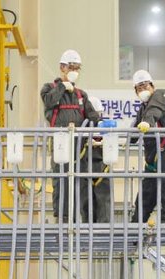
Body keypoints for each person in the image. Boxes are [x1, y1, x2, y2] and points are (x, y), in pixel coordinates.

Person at [40, 50, 107, 223]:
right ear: (62, 68)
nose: (75, 71)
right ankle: (62, 218)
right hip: (61, 144)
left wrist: (103, 126)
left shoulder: (81, 95)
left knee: (81, 183)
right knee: (61, 181)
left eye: (78, 68)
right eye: (72, 67)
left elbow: (92, 116)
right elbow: (48, 102)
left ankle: (81, 220)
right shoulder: (49, 89)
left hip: (80, 147)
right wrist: (62, 87)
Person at [131, 70, 165, 224]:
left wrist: (148, 121)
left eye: (144, 86)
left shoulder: (158, 97)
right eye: (138, 88)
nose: (142, 90)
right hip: (152, 158)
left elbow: (154, 112)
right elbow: (134, 129)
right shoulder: (143, 108)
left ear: (152, 86)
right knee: (146, 194)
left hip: (164, 150)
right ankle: (134, 232)